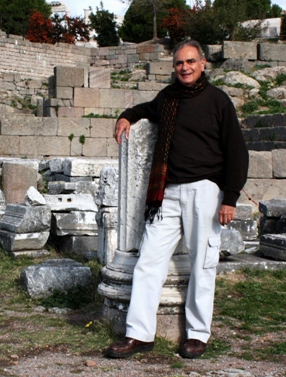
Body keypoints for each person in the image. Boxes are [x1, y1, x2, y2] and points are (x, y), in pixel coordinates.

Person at [104, 39, 248, 360]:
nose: (185, 67)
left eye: (191, 61)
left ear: (203, 63)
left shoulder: (218, 101)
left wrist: (231, 197)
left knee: (202, 263)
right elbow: (143, 109)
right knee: (148, 261)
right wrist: (126, 116)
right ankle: (139, 334)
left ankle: (197, 334)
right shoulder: (167, 99)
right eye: (179, 63)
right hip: (166, 193)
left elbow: (236, 151)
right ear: (174, 66)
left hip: (205, 191)